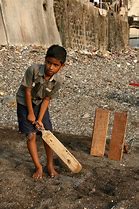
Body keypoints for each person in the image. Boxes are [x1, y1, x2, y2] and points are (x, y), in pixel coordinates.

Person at [16, 45, 67, 179]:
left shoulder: (58, 81)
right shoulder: (33, 70)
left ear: (61, 66)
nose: (51, 67)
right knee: (31, 135)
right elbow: (27, 92)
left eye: (55, 65)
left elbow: (46, 99)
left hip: (40, 103)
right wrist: (31, 114)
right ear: (44, 60)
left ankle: (49, 165)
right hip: (24, 103)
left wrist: (39, 119)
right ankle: (38, 166)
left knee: (47, 135)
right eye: (49, 62)